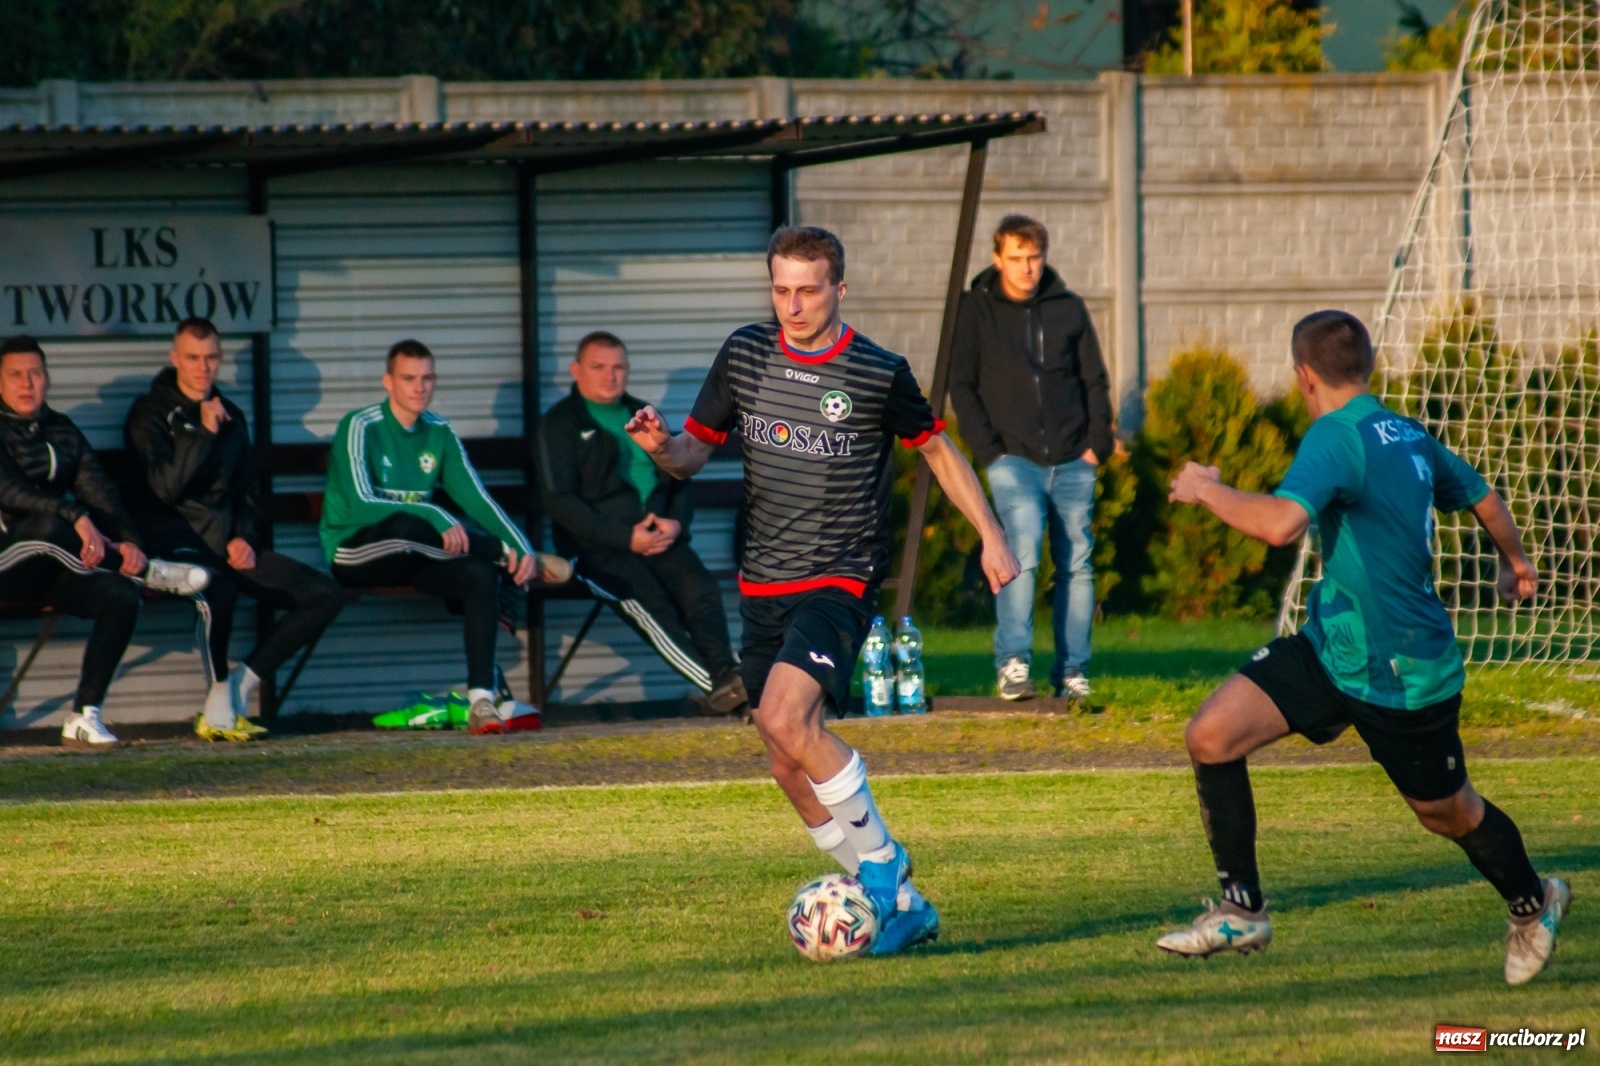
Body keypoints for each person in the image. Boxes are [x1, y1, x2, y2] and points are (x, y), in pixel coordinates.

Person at [625, 226, 1020, 955]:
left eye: (808, 290)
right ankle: (905, 907)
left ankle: (882, 863)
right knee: (783, 756)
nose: (793, 305)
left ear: (840, 287)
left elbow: (937, 450)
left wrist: (991, 535)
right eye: (781, 290)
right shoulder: (745, 353)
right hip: (762, 580)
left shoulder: (877, 371)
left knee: (787, 716)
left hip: (840, 574)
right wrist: (660, 448)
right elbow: (691, 453)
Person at [1156, 310, 1570, 985]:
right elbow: (1484, 496)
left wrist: (1205, 490)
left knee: (1448, 813)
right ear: (1368, 366)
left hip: (1404, 674)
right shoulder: (1406, 431)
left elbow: (1282, 526)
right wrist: (1515, 562)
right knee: (1212, 735)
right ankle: (1242, 909)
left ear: (1303, 376)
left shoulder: (1336, 435)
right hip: (1332, 649)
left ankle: (1534, 901)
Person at [320, 339, 571, 734]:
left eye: (427, 378)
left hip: (418, 553)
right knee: (406, 526)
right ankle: (499, 555)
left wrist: (520, 545)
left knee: (477, 576)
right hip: (358, 553)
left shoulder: (439, 431)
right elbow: (358, 504)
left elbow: (476, 498)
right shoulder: (360, 425)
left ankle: (481, 700)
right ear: (388, 381)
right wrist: (434, 513)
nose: (419, 387)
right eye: (408, 378)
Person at [124, 318, 346, 742]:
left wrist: (244, 536)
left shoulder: (233, 415)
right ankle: (219, 704)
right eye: (193, 358)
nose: (203, 367)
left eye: (211, 357)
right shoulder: (150, 413)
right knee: (219, 591)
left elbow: (247, 491)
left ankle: (238, 687)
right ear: (175, 358)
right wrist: (204, 434)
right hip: (176, 545)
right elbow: (162, 489)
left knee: (324, 594)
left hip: (226, 544)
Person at [0, 336, 209, 747]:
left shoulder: (62, 430)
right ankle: (151, 574)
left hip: (53, 567)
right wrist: (76, 517)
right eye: (15, 375)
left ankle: (84, 715)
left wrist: (128, 540)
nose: (27, 383)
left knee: (119, 596)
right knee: (48, 526)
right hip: (8, 562)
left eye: (36, 373)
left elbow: (99, 491)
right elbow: (9, 492)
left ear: (48, 380)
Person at [948, 214, 1114, 703]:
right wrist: (990, 452)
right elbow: (962, 385)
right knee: (1020, 552)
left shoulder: (1069, 308)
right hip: (1012, 458)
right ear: (997, 258)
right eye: (1016, 258)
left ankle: (1073, 673)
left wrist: (1096, 445)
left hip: (1073, 458)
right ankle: (1014, 664)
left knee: (1077, 562)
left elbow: (1094, 380)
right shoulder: (975, 310)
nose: (1026, 268)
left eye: (1034, 258)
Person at [539, 331, 746, 715]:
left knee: (699, 590)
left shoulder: (643, 415)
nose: (610, 376)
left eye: (619, 367)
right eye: (598, 367)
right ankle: (721, 689)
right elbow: (560, 501)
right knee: (650, 606)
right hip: (598, 550)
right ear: (576, 371)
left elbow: (680, 477)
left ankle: (728, 675)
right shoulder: (559, 424)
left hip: (659, 537)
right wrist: (625, 537)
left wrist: (676, 524)